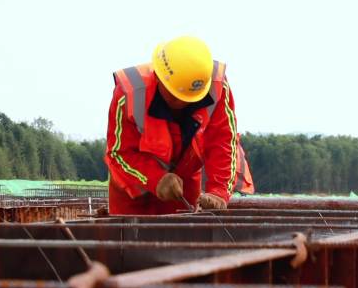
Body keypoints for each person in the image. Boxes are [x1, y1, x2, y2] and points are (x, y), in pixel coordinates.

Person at [104, 36, 254, 215]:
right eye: (175, 96)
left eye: (189, 99)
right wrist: (155, 179)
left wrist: (218, 192)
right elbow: (119, 153)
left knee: (183, 232)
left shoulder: (216, 86)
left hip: (184, 181)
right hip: (133, 186)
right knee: (128, 239)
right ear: (159, 77)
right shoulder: (129, 93)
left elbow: (223, 143)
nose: (182, 103)